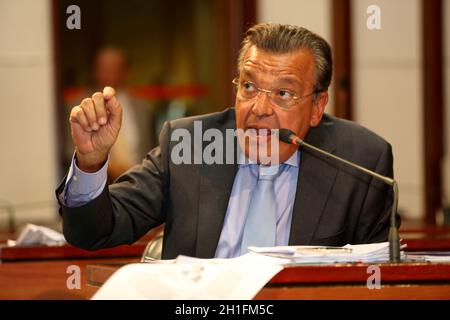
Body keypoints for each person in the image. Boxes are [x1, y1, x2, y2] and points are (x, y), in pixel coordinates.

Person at [56, 23, 395, 259]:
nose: (260, 109)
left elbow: (378, 280)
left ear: (317, 107)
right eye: (249, 87)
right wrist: (91, 162)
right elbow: (94, 232)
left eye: (283, 93)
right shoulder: (191, 144)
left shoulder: (361, 161)